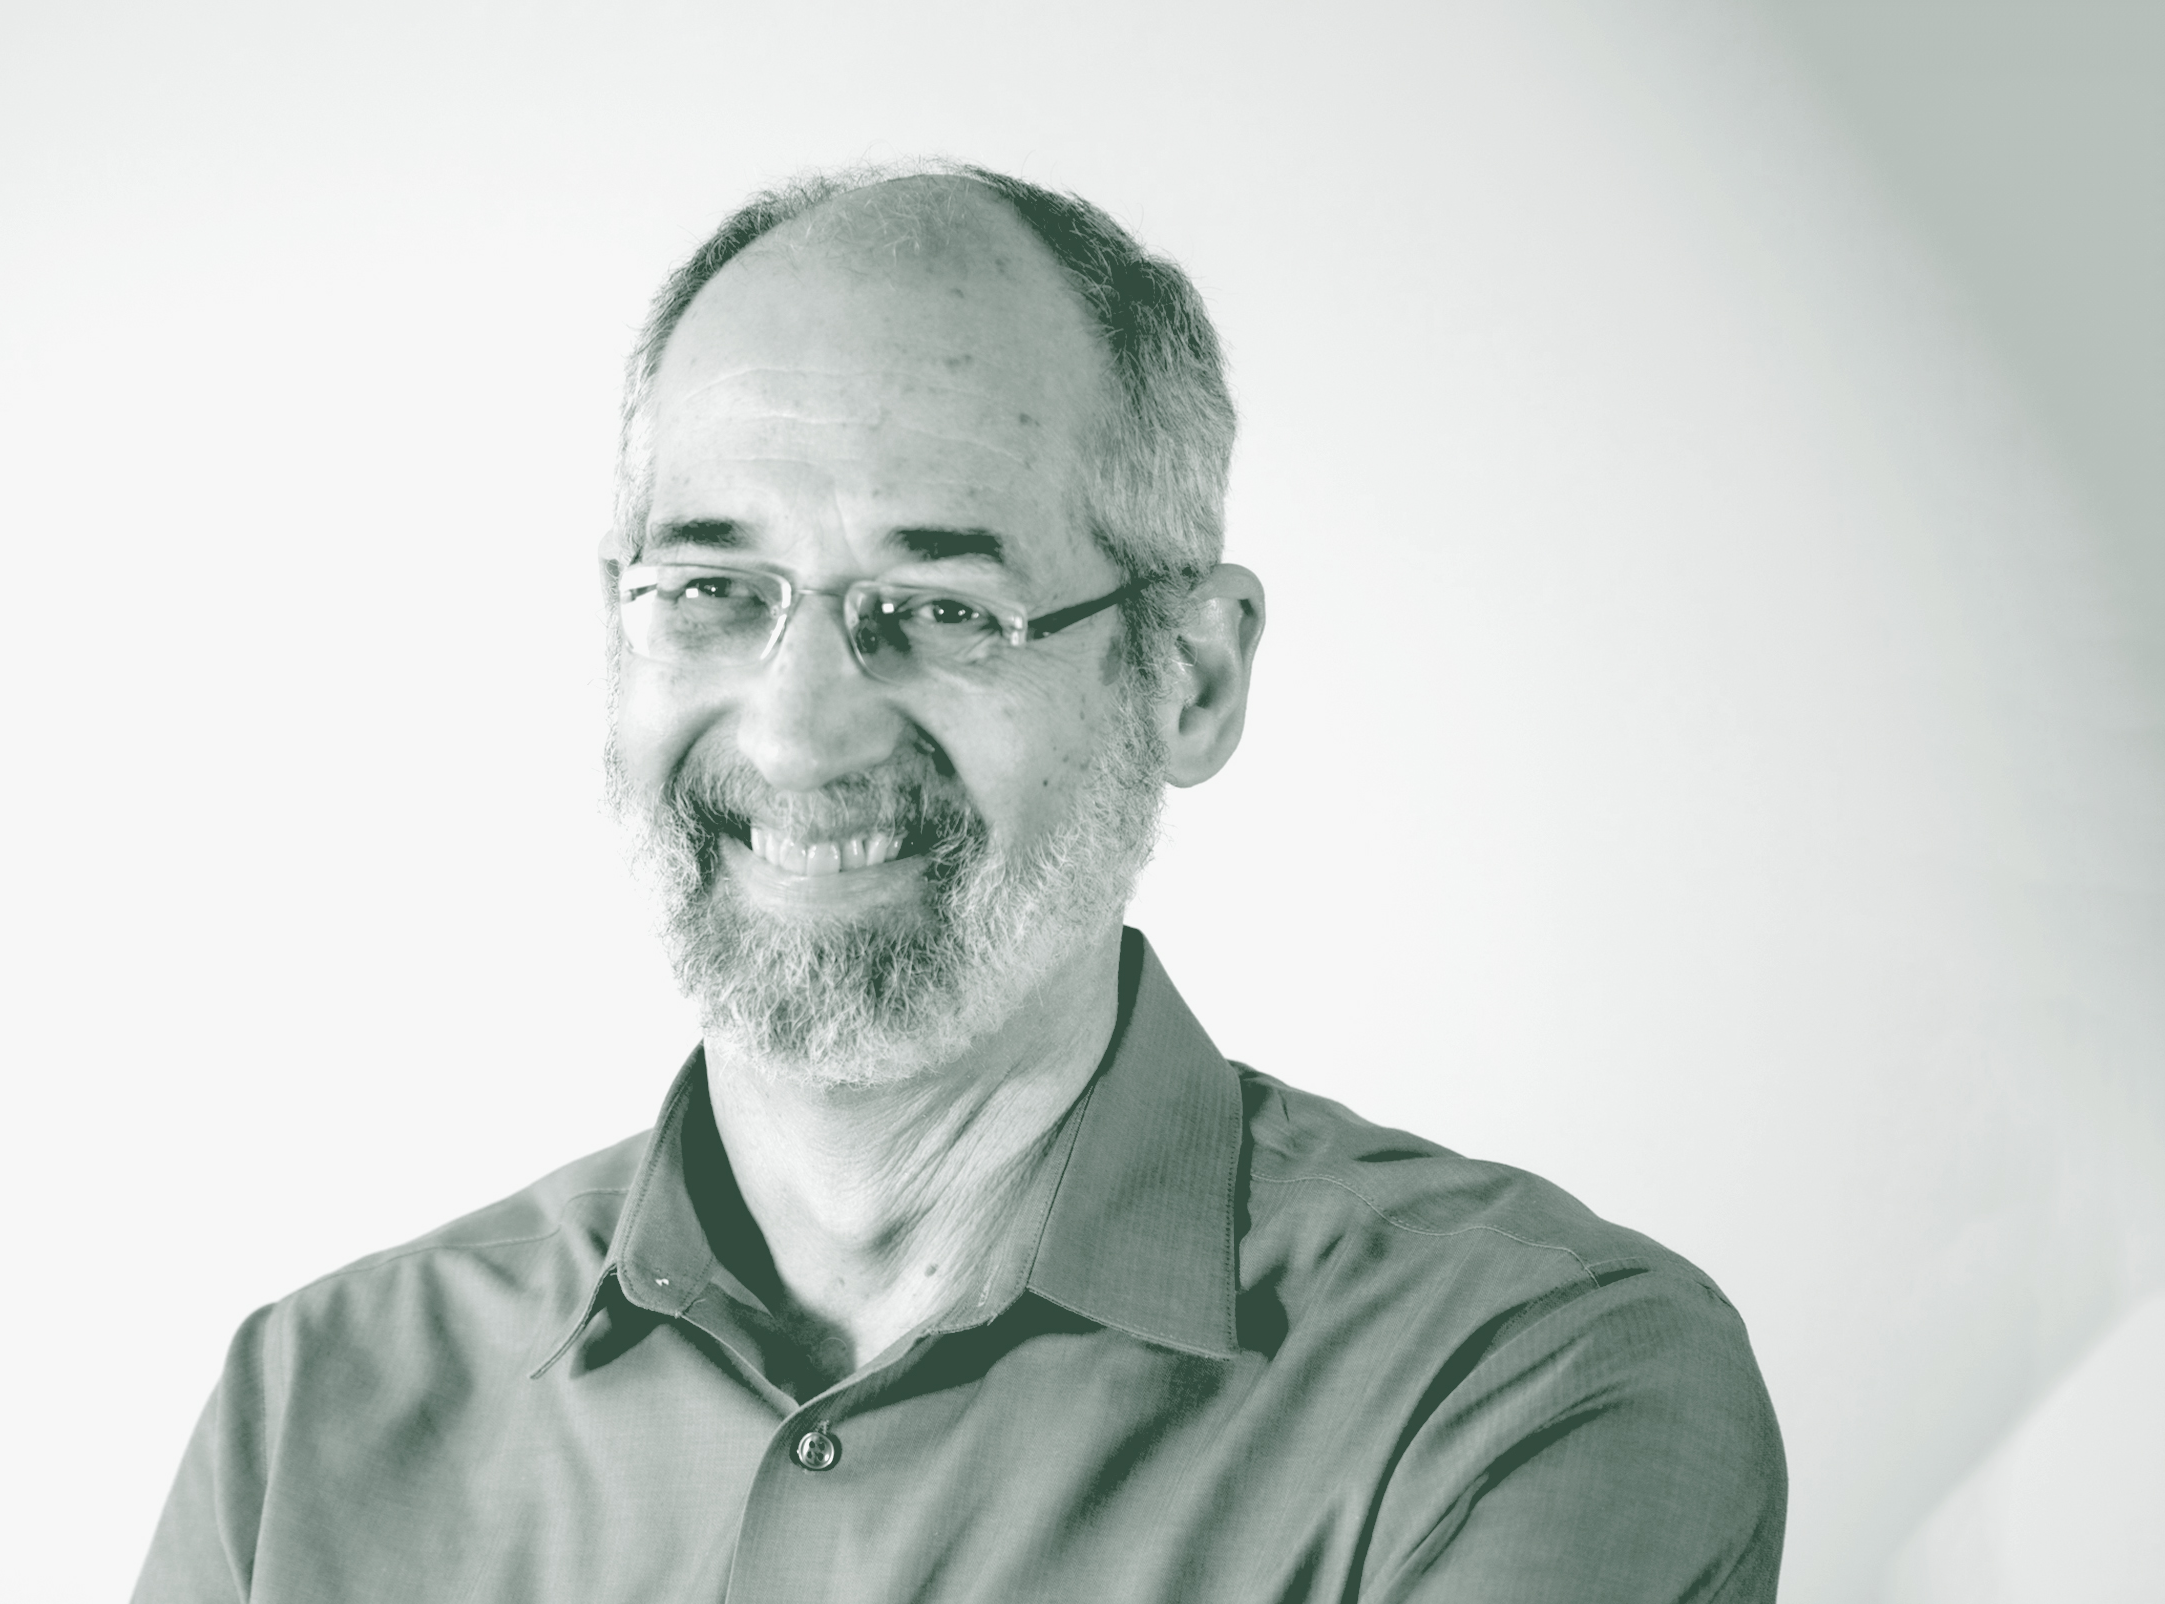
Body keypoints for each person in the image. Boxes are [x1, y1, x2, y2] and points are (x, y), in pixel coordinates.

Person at [134, 161, 1786, 1603]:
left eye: (938, 610)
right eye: (712, 589)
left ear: (1189, 680)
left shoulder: (1520, 1385)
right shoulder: (316, 1414)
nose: (797, 731)